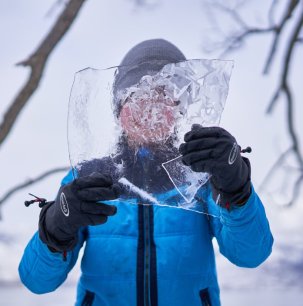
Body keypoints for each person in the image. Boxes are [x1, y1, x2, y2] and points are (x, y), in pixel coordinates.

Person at [19, 39, 273, 306]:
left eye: (164, 96)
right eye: (139, 94)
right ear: (119, 108)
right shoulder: (89, 178)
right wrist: (56, 226)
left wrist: (236, 188)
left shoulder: (199, 177)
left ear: (179, 110)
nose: (151, 108)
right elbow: (36, 281)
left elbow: (251, 254)